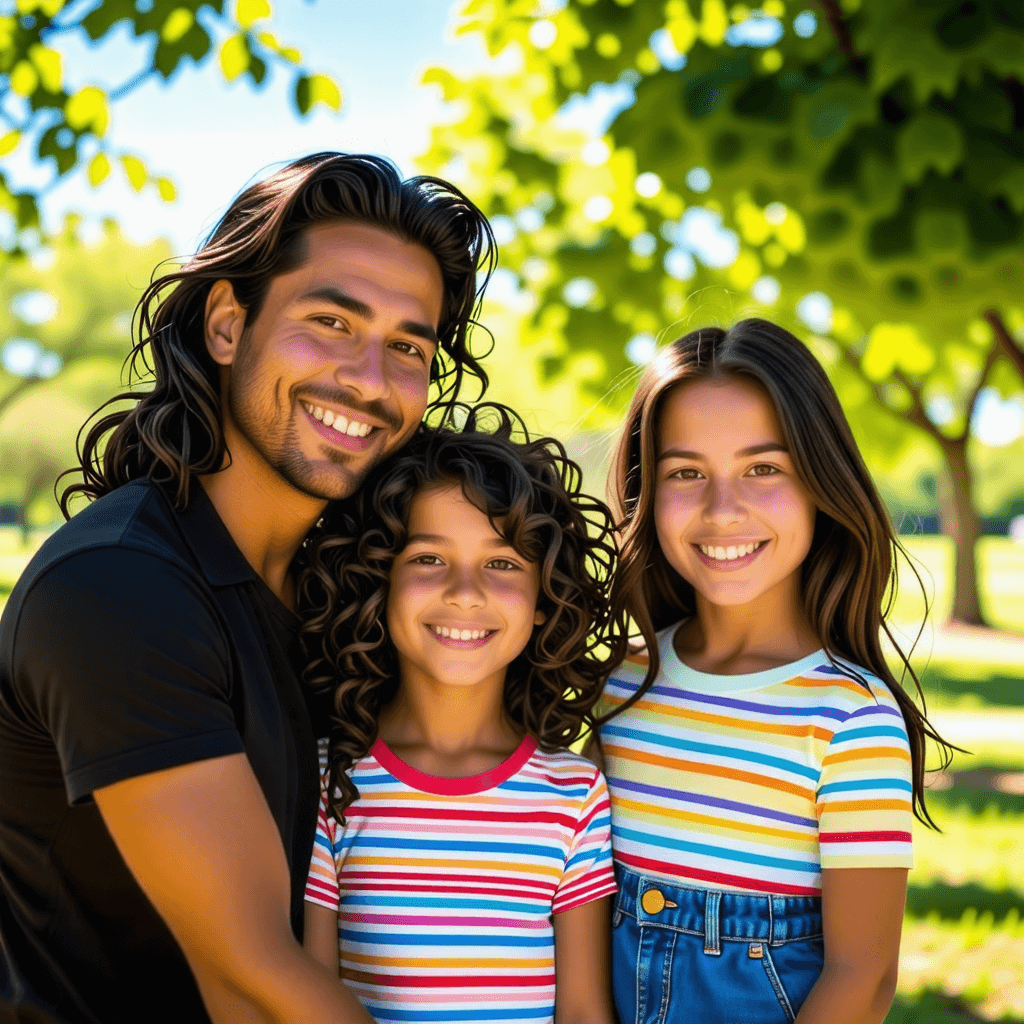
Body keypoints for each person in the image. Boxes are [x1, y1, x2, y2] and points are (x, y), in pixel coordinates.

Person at [0, 153, 496, 1024]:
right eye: (332, 322)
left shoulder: (345, 589)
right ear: (227, 325)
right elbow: (255, 985)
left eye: (408, 347)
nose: (370, 380)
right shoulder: (118, 587)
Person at [594, 319, 952, 1024]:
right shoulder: (621, 683)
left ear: (821, 482)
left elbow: (865, 975)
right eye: (685, 472)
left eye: (764, 468)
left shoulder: (851, 719)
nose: (722, 510)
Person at [298, 408, 620, 1024]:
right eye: (428, 559)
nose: (465, 591)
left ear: (545, 597)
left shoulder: (574, 795)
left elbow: (583, 1012)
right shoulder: (327, 780)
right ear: (378, 580)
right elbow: (310, 996)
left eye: (502, 563)